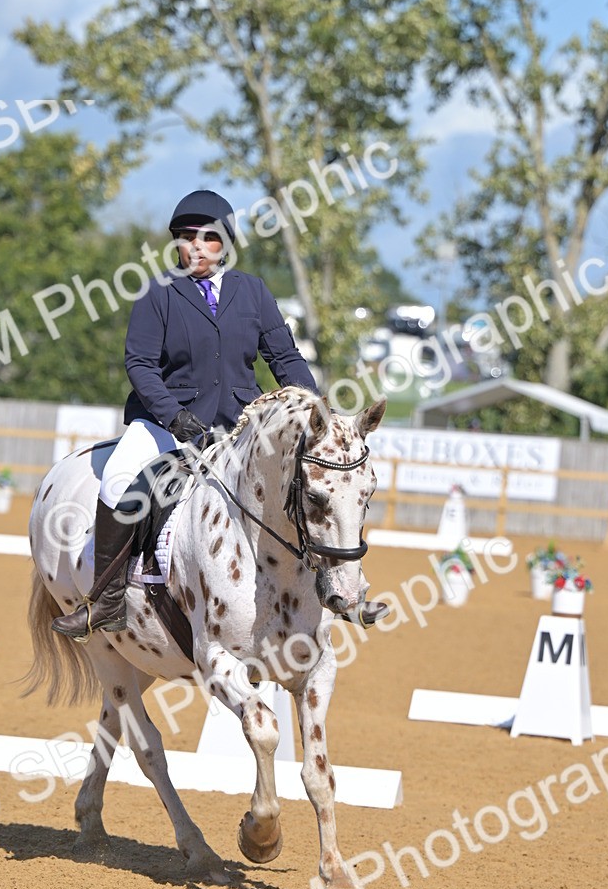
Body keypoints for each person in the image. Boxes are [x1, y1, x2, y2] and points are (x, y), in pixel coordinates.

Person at [52, 189, 384, 640]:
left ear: (224, 243)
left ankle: (337, 587)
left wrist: (315, 412)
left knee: (312, 488)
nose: (195, 247)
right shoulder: (157, 293)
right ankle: (105, 602)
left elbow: (284, 358)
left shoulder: (252, 291)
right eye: (186, 238)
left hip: (240, 425)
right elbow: (141, 366)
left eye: (207, 238)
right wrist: (172, 416)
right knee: (117, 479)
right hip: (165, 423)